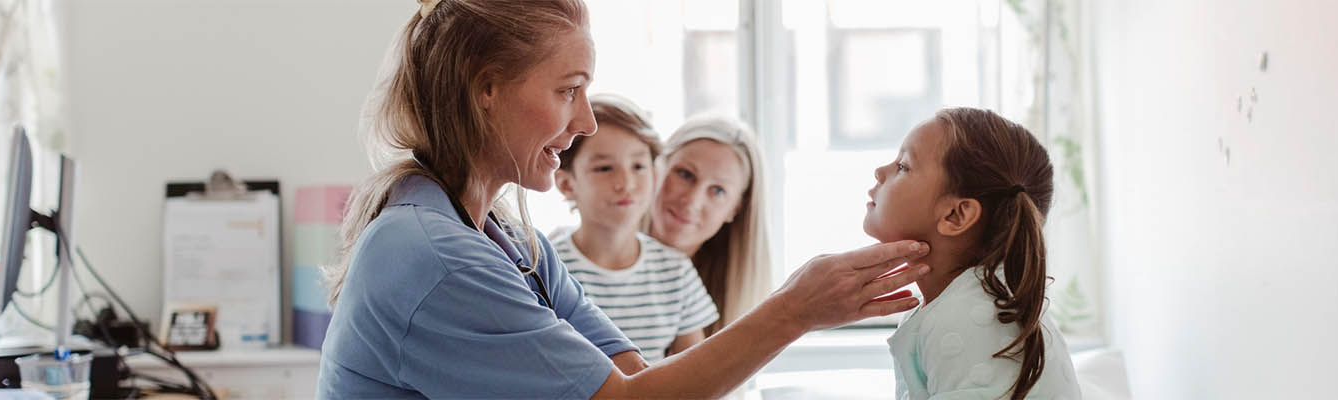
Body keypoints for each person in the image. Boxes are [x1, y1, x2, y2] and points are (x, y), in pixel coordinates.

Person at [316, 1, 930, 398]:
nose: (584, 121)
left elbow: (637, 377)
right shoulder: (435, 256)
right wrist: (794, 310)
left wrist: (795, 306)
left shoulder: (508, 240)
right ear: (486, 89)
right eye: (569, 90)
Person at [865, 107, 1080, 399]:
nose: (880, 172)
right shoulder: (971, 303)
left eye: (903, 166)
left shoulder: (968, 320)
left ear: (956, 215)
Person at [550, 94, 717, 362]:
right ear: (567, 184)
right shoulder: (547, 271)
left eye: (638, 166)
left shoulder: (676, 272)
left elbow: (696, 374)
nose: (626, 183)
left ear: (653, 175)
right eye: (604, 168)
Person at [647, 115, 771, 334]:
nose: (692, 201)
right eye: (685, 175)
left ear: (735, 209)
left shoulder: (732, 302)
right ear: (658, 167)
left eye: (718, 191)